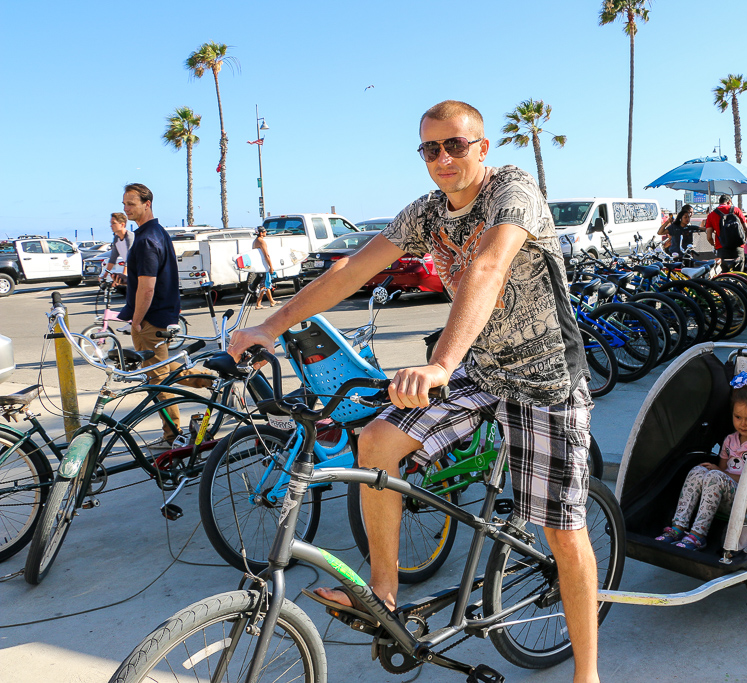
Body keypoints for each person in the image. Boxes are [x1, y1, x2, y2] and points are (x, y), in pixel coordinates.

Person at [227, 100, 603, 682]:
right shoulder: (426, 214)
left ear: (482, 148)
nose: (443, 158)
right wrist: (267, 327)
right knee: (375, 443)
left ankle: (587, 674)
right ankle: (384, 591)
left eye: (455, 145)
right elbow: (350, 270)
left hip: (545, 378)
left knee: (561, 528)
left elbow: (486, 269)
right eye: (430, 148)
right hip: (481, 370)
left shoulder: (513, 191)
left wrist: (439, 364)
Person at [118, 183, 207, 447]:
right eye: (124, 204)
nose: (126, 209)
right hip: (161, 316)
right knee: (164, 370)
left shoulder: (146, 239)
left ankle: (173, 436)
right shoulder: (157, 232)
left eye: (131, 204)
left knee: (157, 381)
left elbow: (147, 287)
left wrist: (136, 320)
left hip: (151, 319)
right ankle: (217, 381)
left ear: (147, 203)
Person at [654, 374, 747, 550]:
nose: (742, 424)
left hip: (745, 499)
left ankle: (698, 535)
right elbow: (722, 470)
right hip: (721, 493)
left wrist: (719, 473)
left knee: (715, 475)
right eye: (738, 417)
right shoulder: (730, 440)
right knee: (697, 471)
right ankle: (678, 527)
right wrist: (716, 472)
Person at [704, 194, 747, 272]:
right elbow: (746, 229)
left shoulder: (711, 215)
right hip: (738, 248)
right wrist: (743, 243)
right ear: (729, 201)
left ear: (719, 202)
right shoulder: (736, 210)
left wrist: (714, 245)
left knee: (724, 276)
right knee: (739, 276)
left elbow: (709, 237)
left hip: (722, 249)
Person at [104, 212, 134, 285]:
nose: (111, 226)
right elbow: (113, 258)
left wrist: (123, 276)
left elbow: (129, 259)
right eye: (111, 223)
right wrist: (104, 276)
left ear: (122, 224)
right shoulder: (116, 238)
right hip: (131, 271)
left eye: (114, 223)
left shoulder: (130, 237)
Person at [252, 226, 277, 309]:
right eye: (265, 231)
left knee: (265, 284)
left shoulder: (255, 241)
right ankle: (258, 303)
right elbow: (266, 255)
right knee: (263, 285)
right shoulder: (261, 241)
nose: (266, 232)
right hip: (263, 266)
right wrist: (271, 266)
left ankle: (271, 301)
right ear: (261, 233)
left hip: (259, 266)